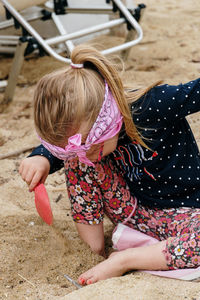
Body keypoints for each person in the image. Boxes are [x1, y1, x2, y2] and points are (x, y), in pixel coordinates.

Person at [19, 45, 200, 285]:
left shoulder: (152, 105)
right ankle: (95, 253)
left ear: (105, 119)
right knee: (77, 160)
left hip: (188, 213)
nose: (90, 155)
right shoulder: (82, 145)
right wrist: (42, 156)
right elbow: (66, 144)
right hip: (133, 211)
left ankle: (125, 259)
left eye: (93, 146)